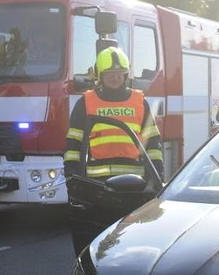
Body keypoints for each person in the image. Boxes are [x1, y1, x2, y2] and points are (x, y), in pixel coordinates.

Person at [64, 47, 164, 181]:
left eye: (120, 73)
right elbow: (74, 144)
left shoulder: (139, 102)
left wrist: (156, 176)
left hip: (134, 183)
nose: (115, 77)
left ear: (126, 74)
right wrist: (72, 175)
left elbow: (152, 143)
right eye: (109, 73)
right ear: (100, 75)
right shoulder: (86, 102)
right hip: (97, 183)